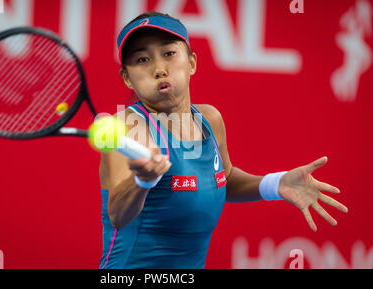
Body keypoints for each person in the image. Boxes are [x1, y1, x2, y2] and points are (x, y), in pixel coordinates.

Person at [98, 11, 348, 269]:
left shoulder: (210, 119)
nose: (159, 69)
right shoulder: (127, 126)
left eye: (169, 53)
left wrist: (276, 183)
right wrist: (142, 181)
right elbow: (118, 214)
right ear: (127, 78)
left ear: (192, 62)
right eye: (142, 59)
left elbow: (222, 180)